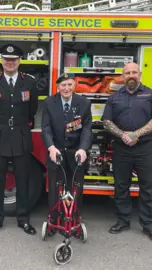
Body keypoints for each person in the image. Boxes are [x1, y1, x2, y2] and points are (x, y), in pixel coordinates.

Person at [101, 62, 152, 243]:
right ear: (122, 76)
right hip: (121, 148)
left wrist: (136, 134)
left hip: (145, 148)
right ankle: (123, 221)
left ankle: (149, 225)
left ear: (140, 74)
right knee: (121, 186)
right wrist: (123, 135)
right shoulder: (114, 98)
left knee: (148, 186)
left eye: (134, 72)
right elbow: (106, 122)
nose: (131, 75)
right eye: (127, 73)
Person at [0, 43, 38, 236]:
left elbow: (32, 110)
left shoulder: (29, 82)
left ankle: (23, 219)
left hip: (21, 138)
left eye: (14, 59)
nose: (10, 62)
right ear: (1, 61)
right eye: (7, 59)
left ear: (19, 61)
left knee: (23, 180)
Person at [41, 73, 92, 236]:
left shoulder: (83, 103)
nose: (66, 88)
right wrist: (51, 147)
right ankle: (54, 221)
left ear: (74, 85)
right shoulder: (49, 103)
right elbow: (46, 128)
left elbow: (87, 129)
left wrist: (83, 148)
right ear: (58, 87)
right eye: (63, 85)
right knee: (56, 189)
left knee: (74, 189)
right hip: (56, 153)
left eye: (69, 84)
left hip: (75, 154)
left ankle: (74, 222)